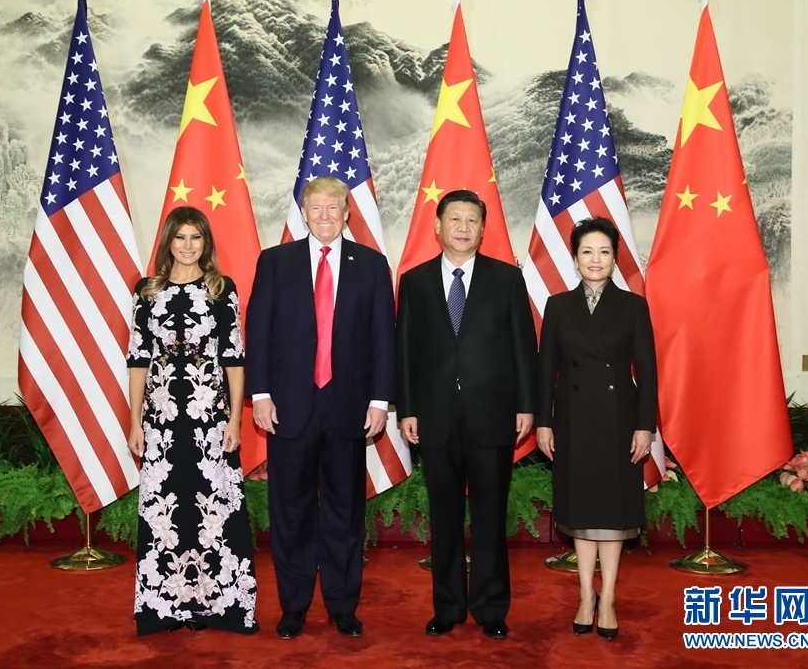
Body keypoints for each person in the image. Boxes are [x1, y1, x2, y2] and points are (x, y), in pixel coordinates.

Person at [245, 176, 395, 640]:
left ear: (347, 213)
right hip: (288, 407)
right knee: (290, 512)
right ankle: (293, 607)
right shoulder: (276, 261)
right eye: (316, 208)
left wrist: (379, 401)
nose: (325, 216)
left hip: (349, 407)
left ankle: (342, 606)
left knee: (345, 512)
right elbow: (259, 331)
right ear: (304, 213)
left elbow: (383, 339)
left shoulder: (371, 265)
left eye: (334, 208)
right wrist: (260, 394)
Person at [396, 189, 539, 640]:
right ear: (437, 227)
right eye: (454, 219)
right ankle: (448, 606)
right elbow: (405, 352)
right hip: (435, 416)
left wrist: (527, 405)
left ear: (482, 229)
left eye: (471, 220)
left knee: (489, 516)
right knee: (444, 517)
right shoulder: (414, 281)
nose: (462, 227)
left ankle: (491, 607)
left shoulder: (506, 279)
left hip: (493, 414)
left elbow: (524, 347)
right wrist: (407, 409)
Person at [127, 206, 258, 636]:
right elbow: (138, 361)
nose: (188, 246)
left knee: (214, 511)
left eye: (196, 237)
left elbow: (234, 359)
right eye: (180, 237)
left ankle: (221, 606)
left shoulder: (222, 289)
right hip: (162, 423)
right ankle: (166, 607)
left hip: (210, 421)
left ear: (206, 243)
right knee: (166, 512)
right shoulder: (147, 292)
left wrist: (235, 422)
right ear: (168, 242)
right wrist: (135, 423)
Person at [536, 216, 658, 640]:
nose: (595, 259)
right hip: (572, 419)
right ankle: (586, 595)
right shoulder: (558, 306)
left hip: (618, 420)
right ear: (575, 258)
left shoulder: (633, 306)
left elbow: (648, 372)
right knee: (583, 511)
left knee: (611, 512)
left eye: (604, 252)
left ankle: (608, 600)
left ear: (614, 259)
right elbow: (546, 370)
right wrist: (544, 422)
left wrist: (645, 427)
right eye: (587, 251)